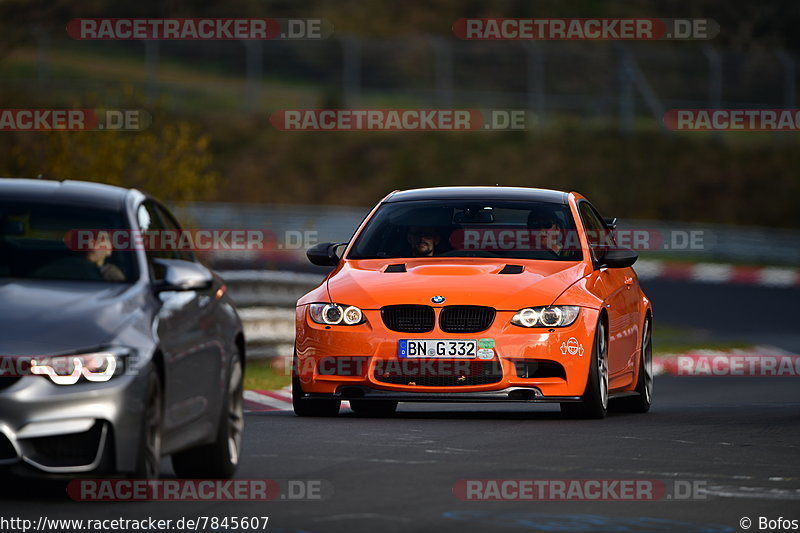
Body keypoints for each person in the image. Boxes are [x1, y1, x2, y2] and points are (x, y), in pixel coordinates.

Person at [34, 231, 125, 281]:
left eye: (100, 239)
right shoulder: (61, 266)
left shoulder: (111, 273)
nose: (91, 242)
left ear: (109, 250)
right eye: (87, 238)